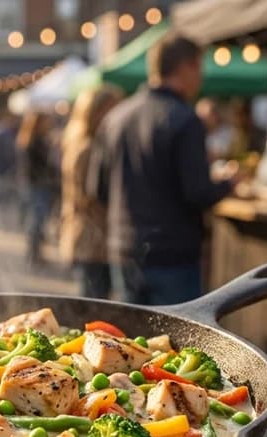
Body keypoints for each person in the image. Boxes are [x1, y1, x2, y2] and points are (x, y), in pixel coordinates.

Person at [88, 33, 234, 305]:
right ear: (186, 67)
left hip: (123, 250)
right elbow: (199, 193)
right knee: (174, 344)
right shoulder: (185, 119)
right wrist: (229, 183)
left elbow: (97, 189)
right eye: (199, 68)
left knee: (128, 341)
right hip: (172, 258)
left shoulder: (116, 117)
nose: (201, 77)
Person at [58, 86, 124, 299]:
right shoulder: (88, 148)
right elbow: (90, 196)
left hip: (85, 235)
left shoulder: (78, 143)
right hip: (91, 239)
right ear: (94, 113)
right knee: (92, 303)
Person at [17, 112, 59, 266]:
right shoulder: (33, 142)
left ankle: (35, 253)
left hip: (36, 185)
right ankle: (34, 254)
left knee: (37, 220)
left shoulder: (34, 140)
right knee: (36, 221)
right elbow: (37, 167)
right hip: (37, 186)